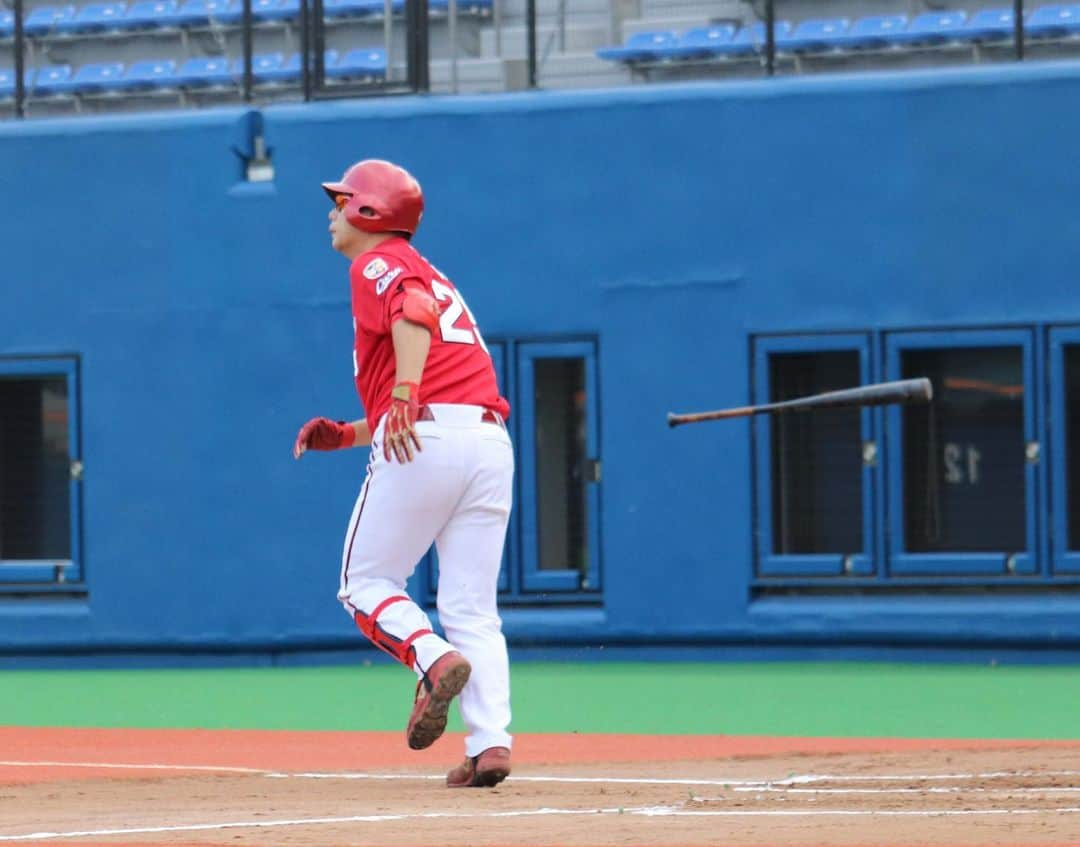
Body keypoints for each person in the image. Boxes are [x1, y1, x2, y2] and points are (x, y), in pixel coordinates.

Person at [293, 159, 514, 788]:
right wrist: (352, 431)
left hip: (429, 439)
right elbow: (428, 389)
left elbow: (411, 319)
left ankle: (431, 659)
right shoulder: (433, 272)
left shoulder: (376, 263)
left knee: (364, 581)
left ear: (370, 212)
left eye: (342, 201)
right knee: (473, 606)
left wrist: (404, 390)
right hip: (486, 441)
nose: (332, 212)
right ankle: (490, 744)